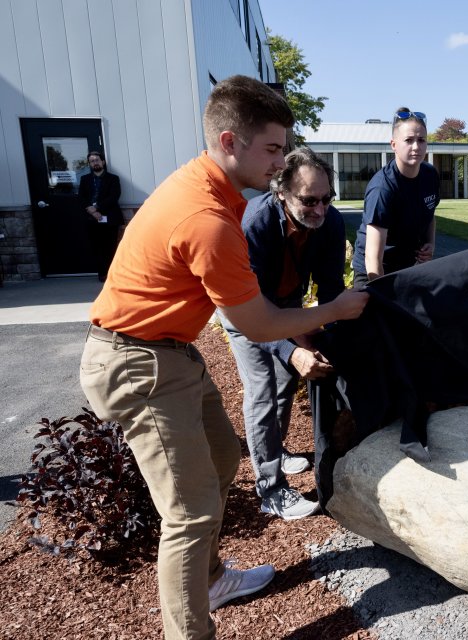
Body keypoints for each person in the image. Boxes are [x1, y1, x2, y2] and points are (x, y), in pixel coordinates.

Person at [78, 75, 368, 640]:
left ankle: (211, 579)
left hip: (171, 352)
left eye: (284, 148)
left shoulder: (211, 189)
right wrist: (332, 313)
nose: (280, 162)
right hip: (137, 363)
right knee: (189, 513)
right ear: (230, 141)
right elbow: (254, 322)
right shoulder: (208, 219)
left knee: (219, 457)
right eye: (273, 149)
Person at [218, 147, 346, 521]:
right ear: (280, 192)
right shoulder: (254, 224)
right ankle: (270, 488)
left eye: (326, 199)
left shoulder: (330, 223)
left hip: (284, 305)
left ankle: (279, 449)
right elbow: (253, 311)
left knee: (286, 382)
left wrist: (328, 339)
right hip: (243, 310)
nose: (320, 210)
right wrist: (292, 349)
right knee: (262, 390)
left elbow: (331, 290)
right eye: (309, 201)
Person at [352, 108, 439, 286]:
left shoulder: (430, 175)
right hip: (375, 271)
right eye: (408, 140)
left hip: (408, 265)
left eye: (421, 140)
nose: (416, 147)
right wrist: (385, 298)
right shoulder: (382, 189)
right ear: (393, 145)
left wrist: (430, 243)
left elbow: (430, 213)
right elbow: (373, 260)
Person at [78, 150, 123, 281]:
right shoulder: (84, 179)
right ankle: (102, 274)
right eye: (92, 161)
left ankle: (112, 274)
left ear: (102, 162)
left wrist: (97, 208)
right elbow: (82, 197)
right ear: (89, 164)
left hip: (110, 217)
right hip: (91, 218)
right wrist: (92, 212)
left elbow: (114, 197)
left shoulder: (113, 179)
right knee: (96, 246)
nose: (95, 163)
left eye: (97, 160)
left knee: (110, 246)